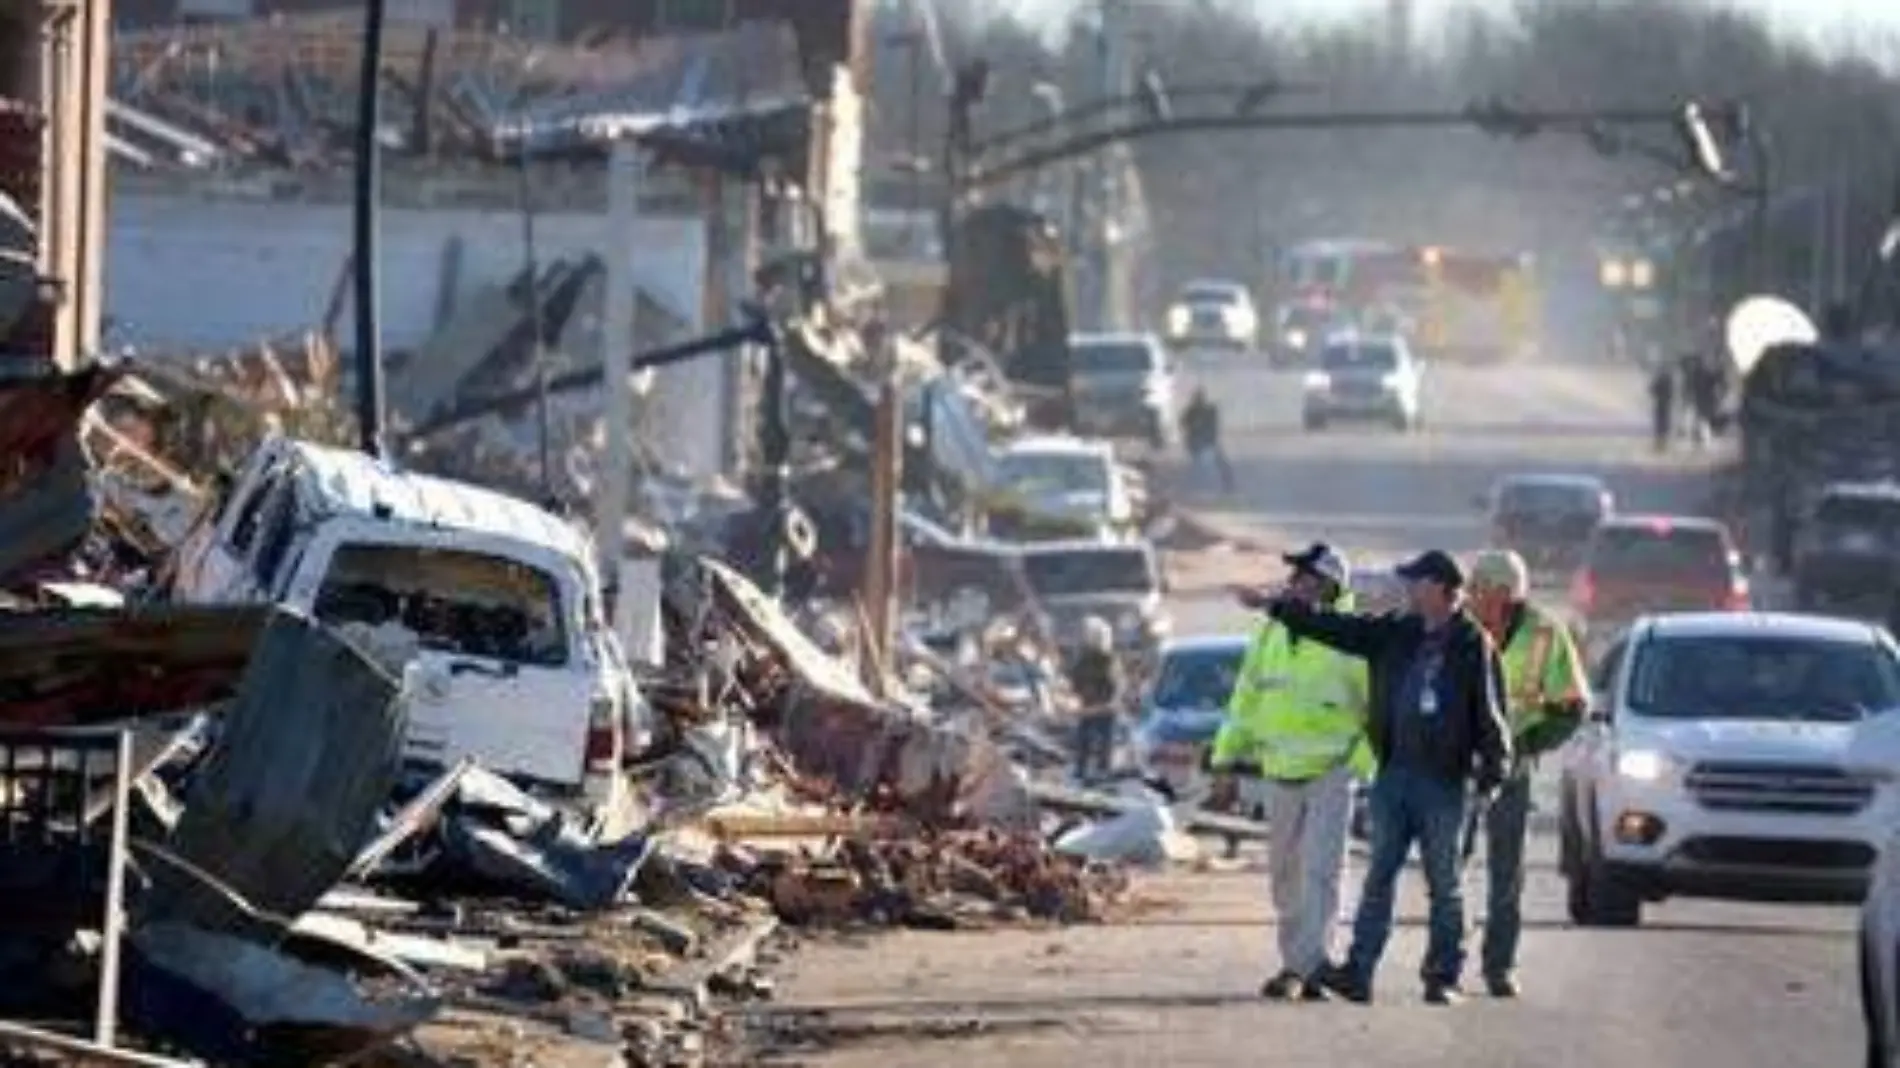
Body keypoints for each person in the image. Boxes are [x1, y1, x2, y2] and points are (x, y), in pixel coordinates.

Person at [1236, 549, 1509, 1006]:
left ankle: (1442, 977)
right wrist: (1278, 607)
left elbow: (1491, 714)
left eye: (1415, 581)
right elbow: (1339, 628)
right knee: (1378, 878)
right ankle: (1358, 974)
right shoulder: (1396, 630)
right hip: (1395, 776)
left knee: (1444, 884)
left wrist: (1491, 776)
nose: (1407, 588)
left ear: (1441, 589)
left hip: (1444, 783)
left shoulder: (1471, 644)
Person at [1209, 543, 1374, 1002]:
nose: (1295, 583)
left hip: (1331, 772)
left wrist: (1357, 764)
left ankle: (1308, 965)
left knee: (1322, 871)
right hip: (1280, 771)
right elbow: (1246, 698)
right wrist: (1225, 758)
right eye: (1295, 577)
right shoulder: (1271, 633)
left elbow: (1378, 711)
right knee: (1284, 873)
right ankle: (1296, 961)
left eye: (1305, 576)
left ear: (1329, 586)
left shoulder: (1353, 637)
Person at [1464, 549, 1588, 998]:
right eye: (1473, 590)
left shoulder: (1544, 634)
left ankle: (1499, 965)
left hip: (1512, 771)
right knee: (1449, 870)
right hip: (1458, 766)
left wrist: (1530, 744)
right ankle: (1448, 958)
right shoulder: (1456, 627)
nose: (1476, 599)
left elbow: (1572, 706)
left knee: (1506, 873)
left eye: (1484, 591)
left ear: (1507, 594)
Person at [1067, 617, 1124, 784]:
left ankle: (1103, 768)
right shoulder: (1083, 658)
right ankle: (1081, 767)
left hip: (1105, 707)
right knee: (1083, 737)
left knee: (1104, 738)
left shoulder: (1109, 660)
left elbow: (1115, 684)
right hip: (1088, 706)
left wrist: (1109, 702)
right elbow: (1075, 680)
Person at [1180, 387, 1236, 494]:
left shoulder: (1208, 410)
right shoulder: (1191, 412)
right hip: (1197, 442)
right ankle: (1195, 485)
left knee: (1220, 463)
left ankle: (1228, 484)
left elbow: (1214, 426)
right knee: (1201, 464)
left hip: (1207, 441)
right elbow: (1184, 425)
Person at [1648, 361, 1676, 453]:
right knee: (1664, 422)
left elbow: (1652, 389)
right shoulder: (1669, 378)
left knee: (1659, 423)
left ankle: (1659, 443)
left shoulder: (1659, 378)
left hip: (1660, 402)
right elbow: (1672, 391)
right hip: (1667, 402)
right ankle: (1663, 442)